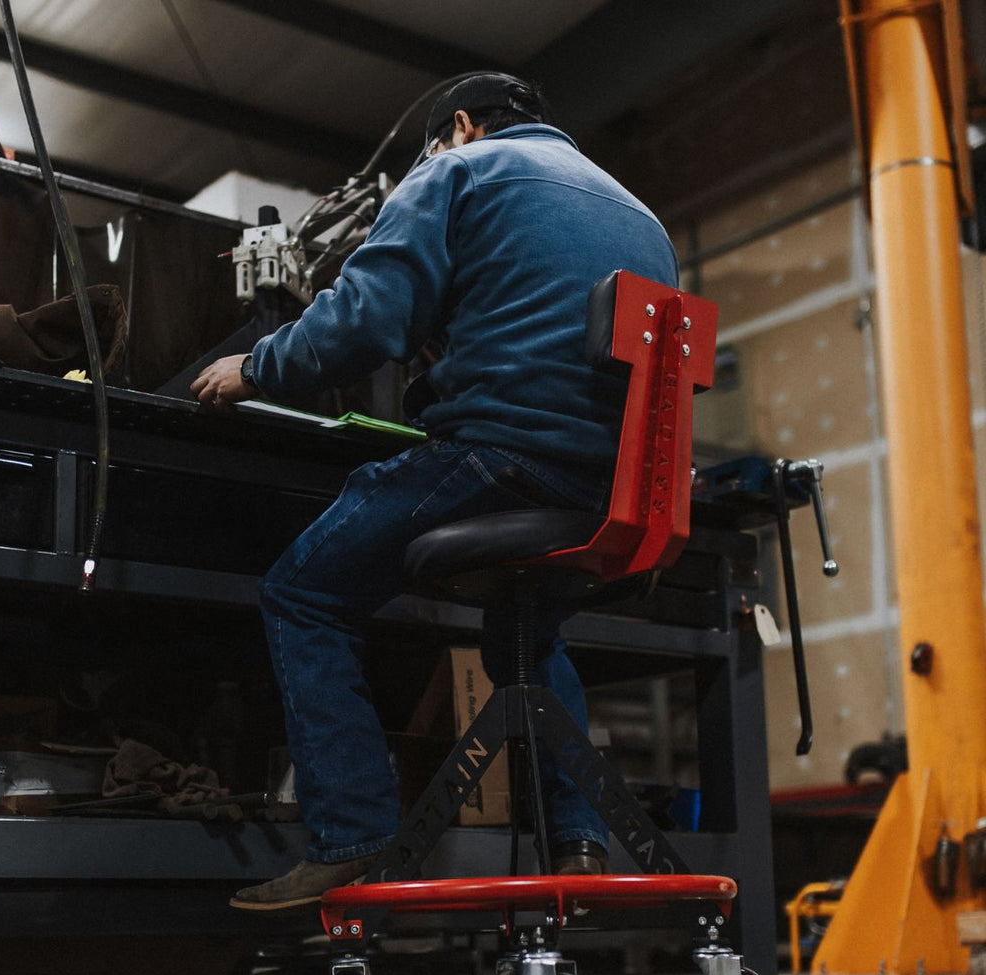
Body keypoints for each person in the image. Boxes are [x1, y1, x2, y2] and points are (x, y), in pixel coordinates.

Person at [191, 73, 678, 911]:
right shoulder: (643, 216)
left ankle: (349, 841)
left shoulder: (457, 171)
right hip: (610, 493)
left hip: (501, 463)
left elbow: (362, 324)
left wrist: (255, 366)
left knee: (303, 595)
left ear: (460, 125)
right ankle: (579, 839)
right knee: (526, 638)